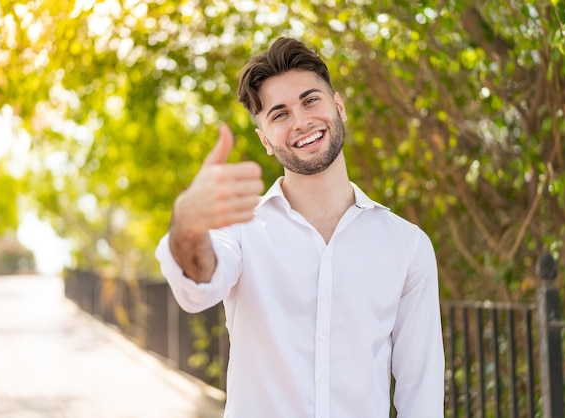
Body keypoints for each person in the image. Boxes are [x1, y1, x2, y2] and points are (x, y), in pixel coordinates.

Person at [155, 37, 445, 417]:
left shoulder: (407, 245)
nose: (302, 121)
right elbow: (198, 286)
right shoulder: (240, 231)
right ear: (265, 141)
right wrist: (188, 226)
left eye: (310, 100)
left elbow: (420, 392)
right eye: (279, 114)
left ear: (338, 107)